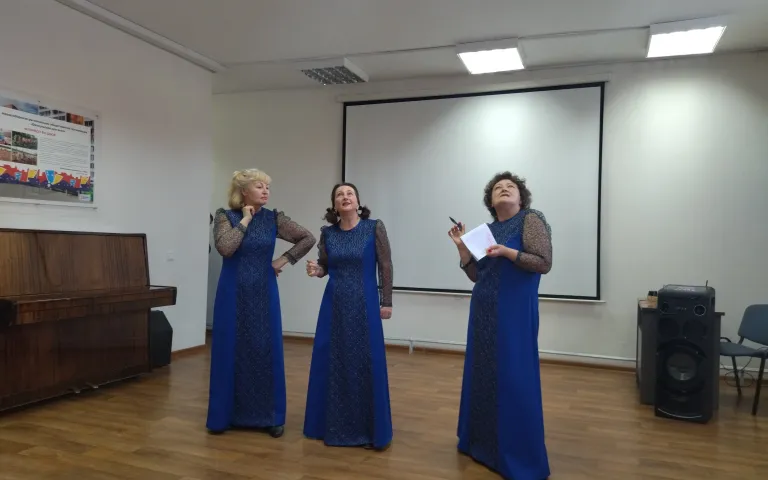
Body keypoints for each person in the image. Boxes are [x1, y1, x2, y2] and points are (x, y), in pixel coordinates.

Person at [448, 172, 552, 480]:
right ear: (490, 201)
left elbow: (543, 262)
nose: (504, 189)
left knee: (513, 375)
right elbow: (477, 276)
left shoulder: (530, 219)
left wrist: (507, 252)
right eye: (498, 188)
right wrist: (462, 250)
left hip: (514, 311)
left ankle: (516, 453)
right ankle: (480, 444)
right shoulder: (486, 231)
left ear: (521, 198)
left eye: (510, 187)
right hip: (483, 309)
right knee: (483, 372)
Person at [207, 168, 316, 437]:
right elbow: (225, 248)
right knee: (230, 349)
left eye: (267, 187)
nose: (266, 191)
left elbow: (308, 238)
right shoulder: (225, 216)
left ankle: (270, 417)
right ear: (244, 191)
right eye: (259, 186)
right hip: (232, 293)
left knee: (263, 349)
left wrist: (284, 260)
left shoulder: (273, 218)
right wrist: (245, 220)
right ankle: (225, 416)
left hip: (263, 292)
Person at [303, 182, 394, 450]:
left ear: (357, 201)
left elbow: (385, 265)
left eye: (350, 193)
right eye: (339, 194)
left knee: (365, 361)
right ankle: (331, 425)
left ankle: (368, 429)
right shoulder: (328, 234)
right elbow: (325, 267)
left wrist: (386, 301)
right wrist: (316, 270)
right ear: (334, 204)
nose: (345, 197)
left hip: (365, 303)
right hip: (334, 304)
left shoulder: (374, 227)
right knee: (333, 360)